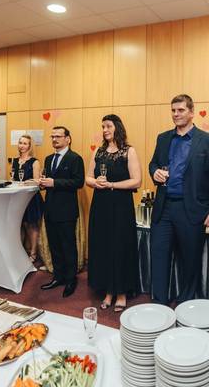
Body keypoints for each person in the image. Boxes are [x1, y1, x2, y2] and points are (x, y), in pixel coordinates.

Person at [149, 94, 209, 305]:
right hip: (163, 208)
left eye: (180, 110)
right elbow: (153, 164)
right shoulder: (163, 138)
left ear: (192, 112)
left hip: (192, 210)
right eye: (173, 110)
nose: (176, 114)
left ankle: (186, 305)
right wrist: (154, 172)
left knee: (190, 261)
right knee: (159, 257)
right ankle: (160, 304)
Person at [87, 114, 141, 312]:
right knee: (103, 247)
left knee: (120, 247)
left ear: (117, 127)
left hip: (121, 206)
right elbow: (88, 178)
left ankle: (121, 292)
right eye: (103, 126)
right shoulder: (98, 151)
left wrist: (111, 185)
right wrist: (96, 182)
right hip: (100, 205)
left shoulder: (129, 151)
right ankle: (108, 290)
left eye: (108, 126)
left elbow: (136, 181)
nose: (105, 130)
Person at [39, 126, 85, 298]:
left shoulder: (75, 158)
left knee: (68, 246)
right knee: (55, 246)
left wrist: (54, 183)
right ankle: (58, 276)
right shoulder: (48, 158)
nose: (54, 139)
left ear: (68, 139)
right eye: (52, 136)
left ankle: (71, 279)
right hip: (50, 209)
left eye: (58, 136)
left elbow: (78, 182)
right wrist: (43, 184)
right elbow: (48, 182)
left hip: (66, 211)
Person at [12, 135, 44, 262]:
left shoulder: (34, 162)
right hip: (18, 197)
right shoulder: (15, 161)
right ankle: (20, 252)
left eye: (25, 143)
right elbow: (13, 179)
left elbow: (37, 181)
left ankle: (33, 253)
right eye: (20, 143)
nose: (22, 145)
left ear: (30, 146)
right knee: (20, 225)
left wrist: (26, 182)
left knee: (32, 226)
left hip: (31, 198)